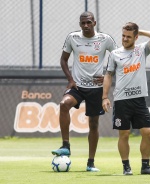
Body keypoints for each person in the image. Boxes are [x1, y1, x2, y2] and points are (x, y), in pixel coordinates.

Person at [51, 11, 118, 172]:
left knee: (94, 124)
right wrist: (70, 80)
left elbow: (119, 58)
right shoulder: (73, 38)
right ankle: (66, 145)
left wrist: (108, 75)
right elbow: (63, 60)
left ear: (94, 23)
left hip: (96, 89)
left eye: (89, 22)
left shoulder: (105, 39)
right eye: (83, 23)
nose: (86, 25)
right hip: (78, 87)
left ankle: (90, 163)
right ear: (80, 24)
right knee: (63, 104)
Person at [102, 22, 150, 175]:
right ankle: (126, 167)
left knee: (148, 133)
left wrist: (140, 31)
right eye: (123, 35)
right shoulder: (115, 54)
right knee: (124, 133)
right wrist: (104, 97)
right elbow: (108, 75)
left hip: (139, 99)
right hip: (122, 100)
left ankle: (145, 166)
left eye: (129, 36)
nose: (125, 39)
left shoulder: (141, 50)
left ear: (136, 37)